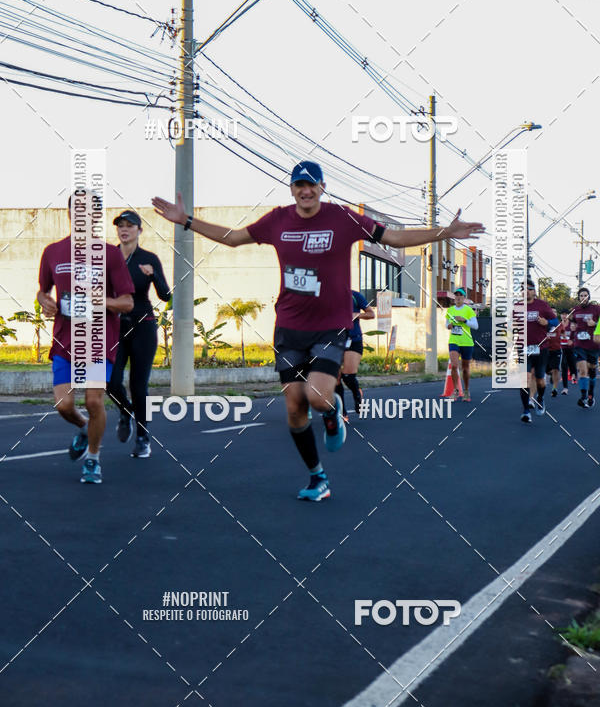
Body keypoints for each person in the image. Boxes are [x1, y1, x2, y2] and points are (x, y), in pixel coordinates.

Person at [152, 160, 485, 501]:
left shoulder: (342, 217)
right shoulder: (277, 220)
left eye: (312, 185)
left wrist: (444, 232)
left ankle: (331, 412)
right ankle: (317, 477)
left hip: (330, 326)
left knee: (316, 396)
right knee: (294, 408)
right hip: (289, 328)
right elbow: (235, 238)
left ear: (323, 187)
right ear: (293, 189)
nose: (306, 190)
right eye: (299, 185)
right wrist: (186, 221)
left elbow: (395, 238)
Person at [37, 193, 134, 484]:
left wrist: (99, 300)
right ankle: (83, 428)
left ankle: (93, 458)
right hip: (65, 341)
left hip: (99, 341)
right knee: (64, 405)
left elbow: (127, 302)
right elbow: (43, 290)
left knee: (94, 401)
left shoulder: (110, 254)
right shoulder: (53, 252)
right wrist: (45, 301)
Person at [107, 210, 171, 458]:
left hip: (143, 326)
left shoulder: (149, 258)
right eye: (120, 226)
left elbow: (166, 295)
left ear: (139, 230)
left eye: (129, 226)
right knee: (110, 382)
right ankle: (126, 412)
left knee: (138, 385)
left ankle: (143, 437)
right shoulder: (108, 258)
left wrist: (153, 276)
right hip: (115, 327)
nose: (124, 230)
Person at [335, 290, 375, 420]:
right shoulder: (325, 295)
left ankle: (357, 394)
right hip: (333, 341)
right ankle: (342, 412)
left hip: (353, 339)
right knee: (335, 379)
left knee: (348, 376)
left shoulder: (354, 295)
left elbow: (371, 313)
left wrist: (357, 315)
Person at [519, 279, 555, 423]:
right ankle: (526, 411)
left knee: (540, 378)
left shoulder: (543, 305)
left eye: (529, 288)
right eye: (523, 288)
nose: (526, 291)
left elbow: (555, 322)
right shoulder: (517, 306)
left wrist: (547, 323)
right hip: (523, 348)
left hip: (541, 347)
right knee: (525, 379)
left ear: (534, 291)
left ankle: (540, 398)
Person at [445, 287, 478, 402]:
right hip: (454, 340)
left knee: (465, 368)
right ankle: (455, 390)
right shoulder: (450, 310)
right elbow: (447, 324)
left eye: (460, 295)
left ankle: (466, 390)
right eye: (456, 295)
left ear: (464, 298)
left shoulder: (468, 310)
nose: (458, 297)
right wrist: (449, 326)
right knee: (454, 365)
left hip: (467, 342)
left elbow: (475, 326)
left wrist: (464, 320)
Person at [570, 287, 600, 409]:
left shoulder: (596, 309)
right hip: (579, 344)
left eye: (585, 295)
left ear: (589, 297)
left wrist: (596, 324)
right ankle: (583, 397)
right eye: (581, 296)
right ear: (578, 298)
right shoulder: (575, 311)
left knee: (592, 371)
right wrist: (572, 331)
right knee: (583, 370)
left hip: (593, 345)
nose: (583, 297)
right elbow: (573, 324)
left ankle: (591, 394)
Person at [545, 308, 562, 397]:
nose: (553, 313)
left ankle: (554, 388)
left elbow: (564, 334)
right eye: (552, 311)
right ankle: (550, 374)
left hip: (556, 350)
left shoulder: (559, 323)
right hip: (545, 350)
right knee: (547, 370)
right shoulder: (545, 323)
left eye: (555, 311)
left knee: (555, 369)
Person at [559, 309, 577, 394]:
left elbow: (575, 336)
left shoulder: (572, 325)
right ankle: (565, 388)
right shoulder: (558, 325)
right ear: (560, 315)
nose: (564, 316)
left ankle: (574, 376)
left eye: (565, 314)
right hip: (562, 348)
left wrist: (572, 341)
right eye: (562, 314)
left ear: (568, 315)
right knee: (564, 366)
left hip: (571, 348)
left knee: (572, 364)